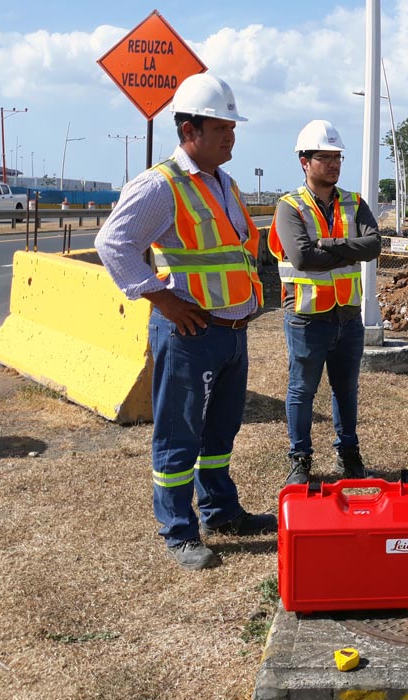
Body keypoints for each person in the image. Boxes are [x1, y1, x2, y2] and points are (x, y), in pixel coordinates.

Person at [95, 73, 276, 571]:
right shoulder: (162, 184)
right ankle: (178, 530)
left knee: (220, 432)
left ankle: (221, 511)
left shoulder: (224, 182)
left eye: (232, 128)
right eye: (221, 128)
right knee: (179, 433)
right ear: (189, 130)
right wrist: (162, 300)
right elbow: (113, 243)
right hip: (190, 332)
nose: (230, 137)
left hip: (232, 333)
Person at [268, 120, 382, 486]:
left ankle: (348, 453)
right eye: (324, 157)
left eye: (337, 157)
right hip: (306, 317)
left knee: (346, 389)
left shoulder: (354, 202)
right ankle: (299, 459)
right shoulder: (289, 207)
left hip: (348, 316)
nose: (333, 164)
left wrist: (330, 246)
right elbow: (302, 258)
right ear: (304, 161)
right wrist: (349, 251)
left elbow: (374, 245)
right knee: (302, 390)